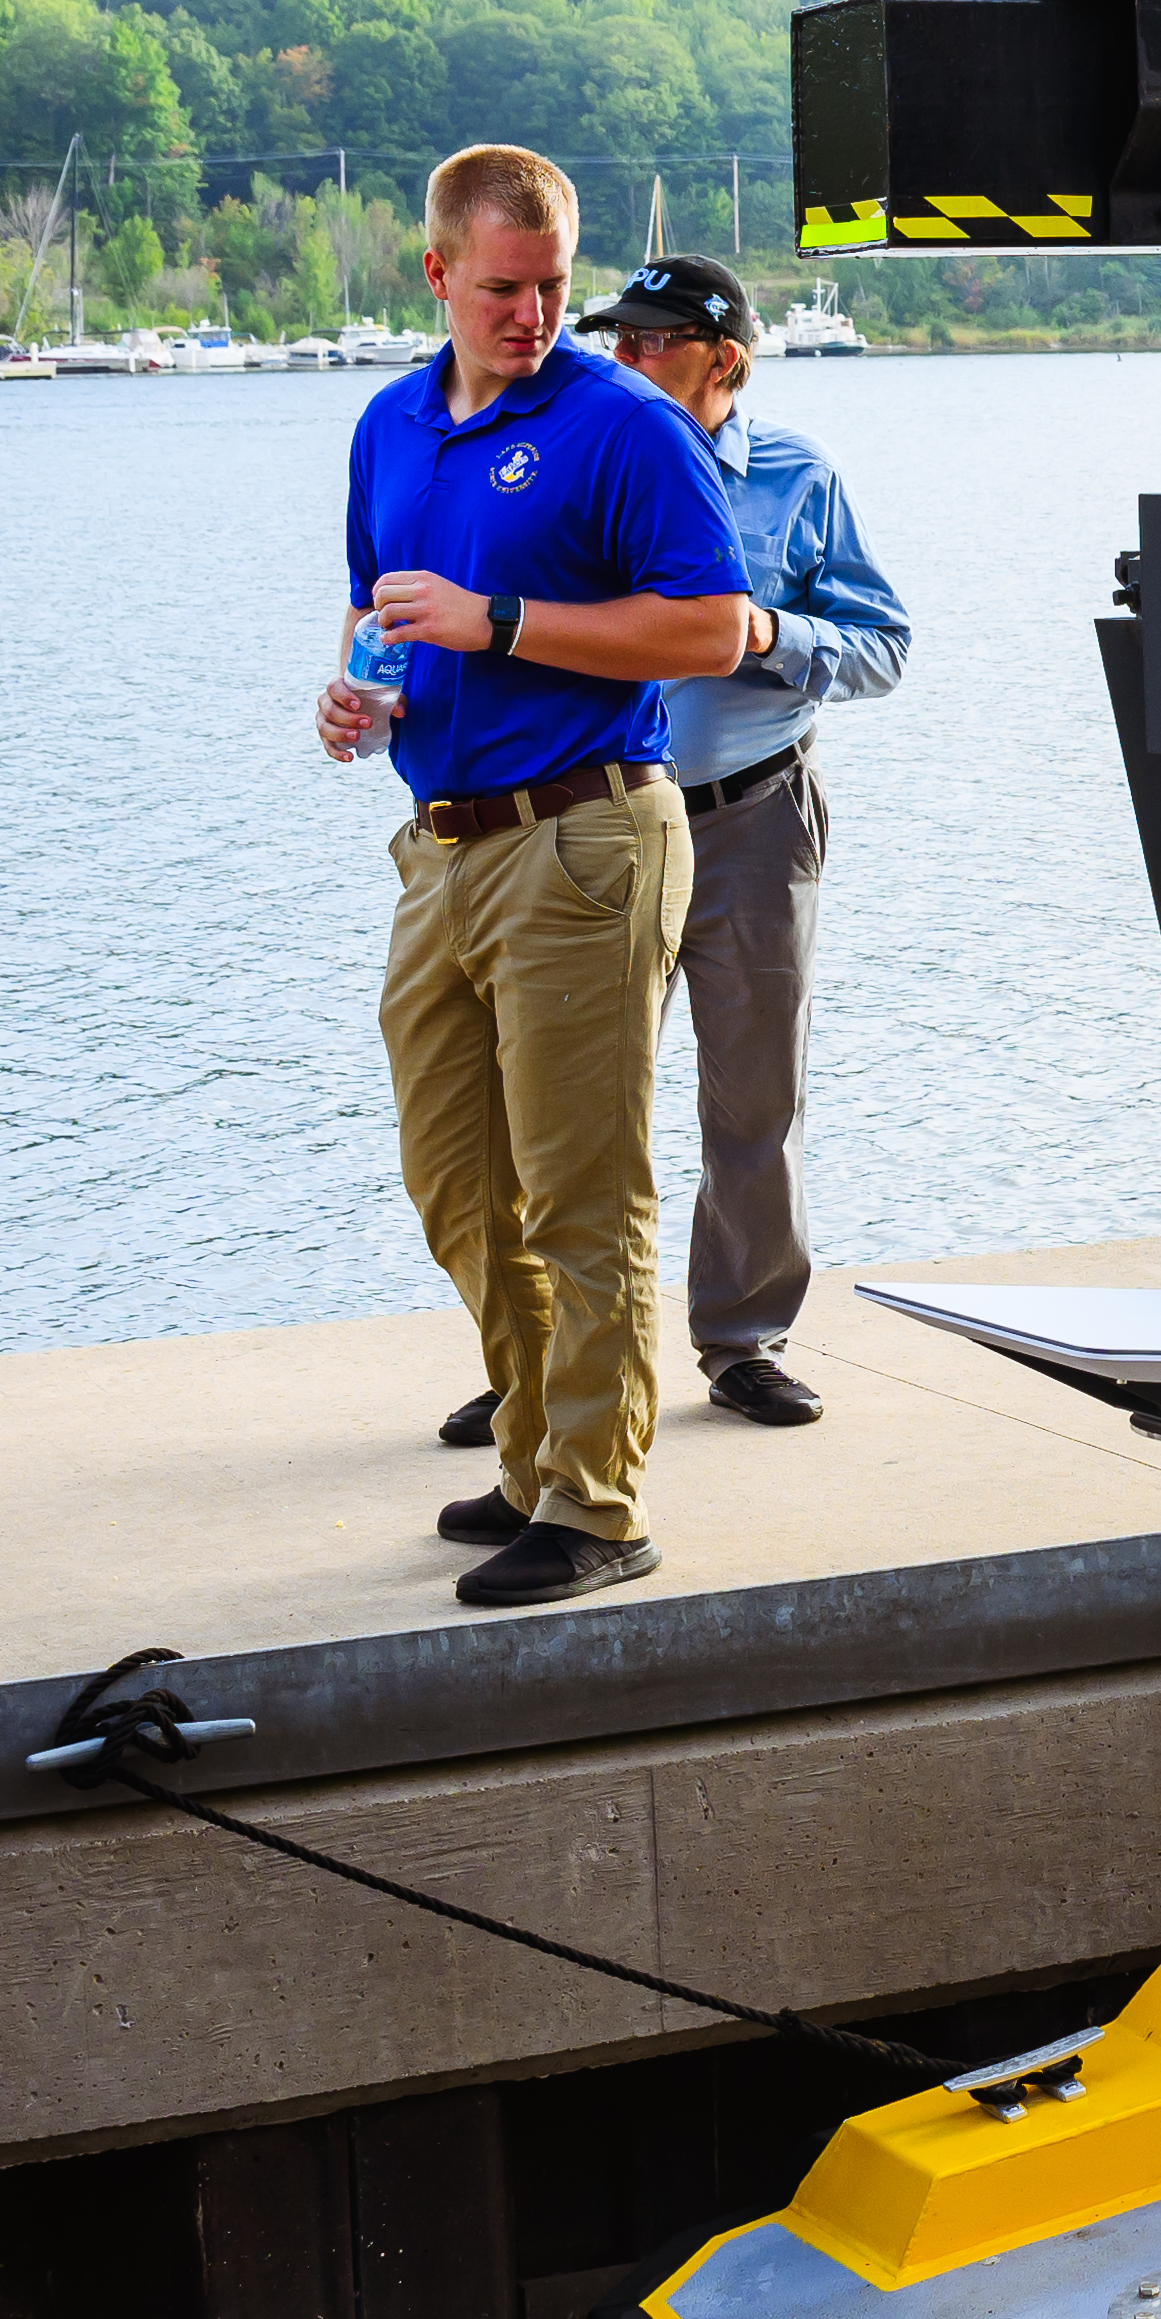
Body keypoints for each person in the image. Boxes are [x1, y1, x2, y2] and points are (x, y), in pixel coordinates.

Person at [315, 144, 757, 1606]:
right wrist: (353, 693)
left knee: (581, 1191)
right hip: (439, 843)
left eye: (553, 286)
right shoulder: (389, 424)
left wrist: (498, 620)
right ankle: (526, 1450)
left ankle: (594, 1497)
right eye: (502, 289)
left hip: (585, 835)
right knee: (455, 1183)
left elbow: (709, 630)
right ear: (435, 274)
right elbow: (380, 610)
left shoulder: (624, 424)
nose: (533, 316)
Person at [589, 253, 911, 1426]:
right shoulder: (582, 460)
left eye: (651, 342)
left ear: (722, 358)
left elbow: (882, 646)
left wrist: (767, 632)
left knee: (752, 1101)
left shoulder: (793, 475)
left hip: (753, 818)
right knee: (573, 1108)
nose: (623, 360)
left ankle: (741, 1341)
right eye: (615, 340)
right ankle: (545, 1359)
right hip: (600, 822)